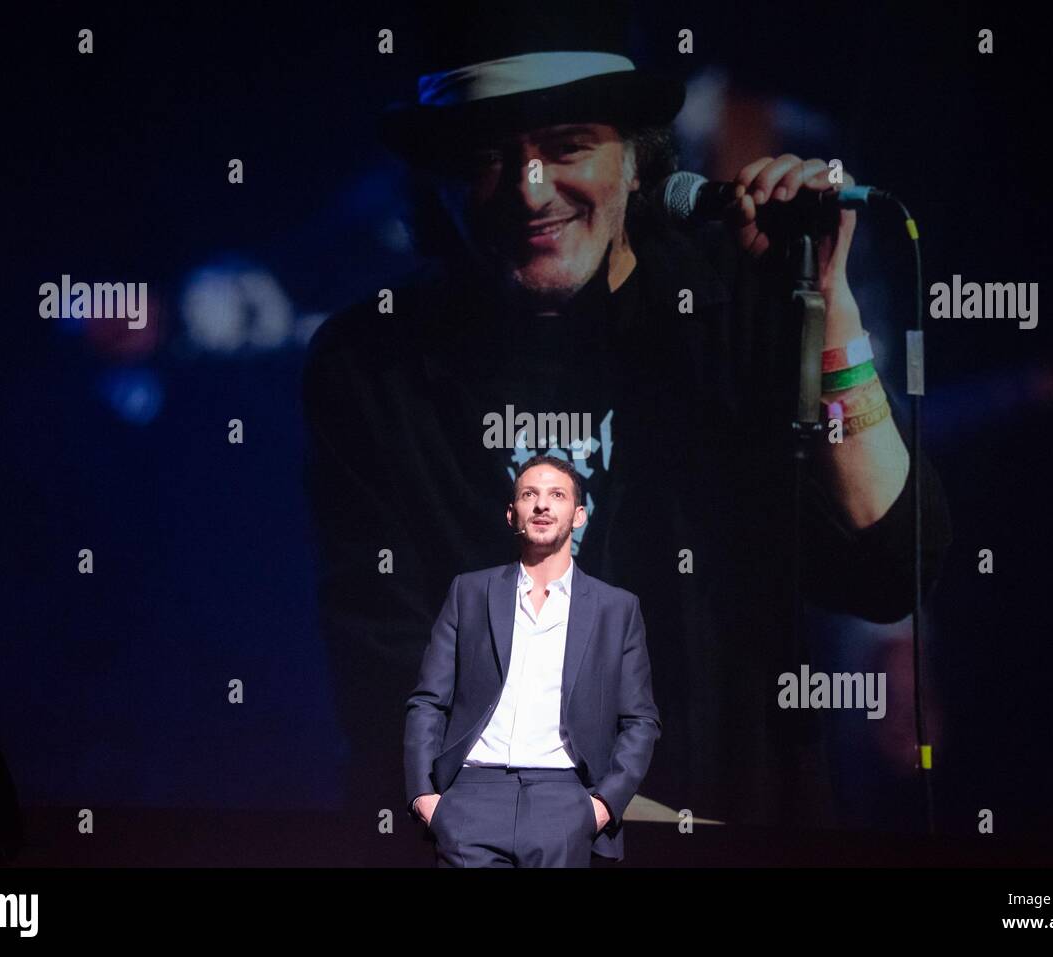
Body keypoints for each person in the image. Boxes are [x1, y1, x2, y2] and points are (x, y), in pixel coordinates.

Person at [301, 3, 952, 863]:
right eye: (489, 157)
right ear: (438, 179)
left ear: (638, 160)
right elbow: (394, 696)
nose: (531, 191)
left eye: (568, 145)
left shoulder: (733, 305)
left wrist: (829, 311)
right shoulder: (373, 364)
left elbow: (889, 564)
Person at [404, 456, 659, 866]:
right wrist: (424, 796)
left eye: (556, 495)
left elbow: (640, 721)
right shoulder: (470, 593)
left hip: (564, 801)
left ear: (578, 516)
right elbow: (427, 701)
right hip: (472, 796)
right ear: (512, 514)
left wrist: (602, 805)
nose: (542, 506)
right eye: (529, 495)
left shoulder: (617, 609)